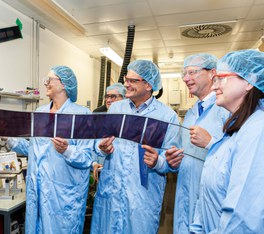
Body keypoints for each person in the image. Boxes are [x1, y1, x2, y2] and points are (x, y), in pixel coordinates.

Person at [90, 60, 181, 233]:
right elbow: (98, 143)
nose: (126, 84)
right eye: (126, 79)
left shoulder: (166, 116)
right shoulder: (116, 109)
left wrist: (157, 162)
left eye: (132, 81)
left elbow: (173, 161)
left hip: (142, 197)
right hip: (111, 191)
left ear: (148, 84)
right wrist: (101, 148)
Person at [7, 66, 94, 233]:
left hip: (64, 196)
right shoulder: (40, 113)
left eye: (49, 80)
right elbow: (33, 149)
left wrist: (67, 150)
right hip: (38, 192)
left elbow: (86, 158)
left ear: (63, 84)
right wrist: (9, 139)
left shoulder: (81, 115)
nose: (45, 83)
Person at [190, 49, 264, 233]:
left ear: (249, 82)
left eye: (221, 78)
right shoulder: (235, 128)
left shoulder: (257, 130)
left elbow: (243, 217)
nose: (214, 87)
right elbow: (208, 192)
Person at [165, 53, 229, 233]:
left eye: (192, 72)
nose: (186, 78)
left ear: (212, 73)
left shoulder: (225, 109)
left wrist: (210, 143)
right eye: (184, 74)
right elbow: (182, 151)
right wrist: (172, 159)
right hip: (186, 192)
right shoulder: (192, 113)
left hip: (212, 197)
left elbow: (239, 155)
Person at [92, 83, 126, 181]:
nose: (108, 100)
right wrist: (94, 163)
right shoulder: (98, 119)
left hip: (123, 175)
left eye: (113, 96)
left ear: (124, 99)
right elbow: (91, 144)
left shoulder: (130, 121)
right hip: (102, 171)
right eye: (107, 96)